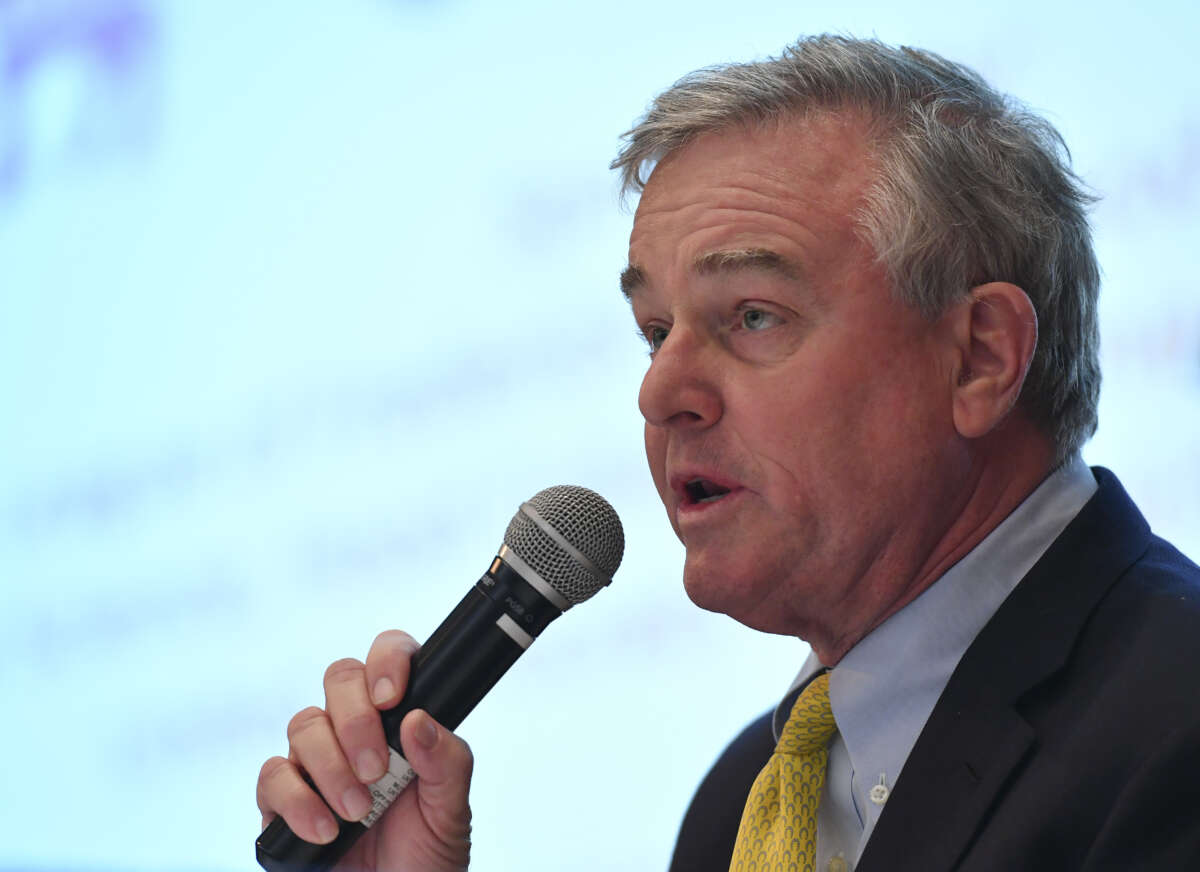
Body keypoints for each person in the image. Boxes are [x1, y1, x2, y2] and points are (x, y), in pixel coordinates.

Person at [255, 35, 1200, 871]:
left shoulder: (1175, 725)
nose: (660, 392)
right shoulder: (737, 810)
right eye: (653, 330)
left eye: (752, 315)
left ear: (980, 356)